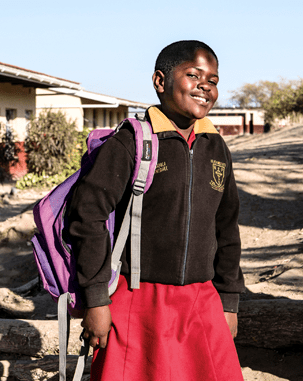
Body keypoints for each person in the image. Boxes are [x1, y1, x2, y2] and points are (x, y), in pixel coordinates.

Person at [67, 40, 245, 381]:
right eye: (193, 75)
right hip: (140, 300)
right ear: (160, 82)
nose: (205, 85)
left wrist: (229, 300)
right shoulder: (131, 143)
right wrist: (96, 300)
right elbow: (86, 217)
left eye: (214, 79)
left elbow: (227, 226)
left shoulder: (216, 147)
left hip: (201, 301)